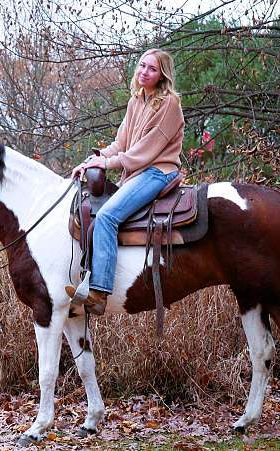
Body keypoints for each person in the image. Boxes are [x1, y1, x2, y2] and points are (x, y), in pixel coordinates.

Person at [67, 48, 185, 315]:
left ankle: (98, 293)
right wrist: (91, 162)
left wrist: (108, 164)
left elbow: (145, 150)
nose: (144, 72)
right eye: (142, 66)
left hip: (157, 171)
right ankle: (86, 277)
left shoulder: (169, 104)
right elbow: (120, 143)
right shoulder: (137, 100)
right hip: (137, 172)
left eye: (152, 69)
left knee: (107, 216)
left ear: (162, 74)